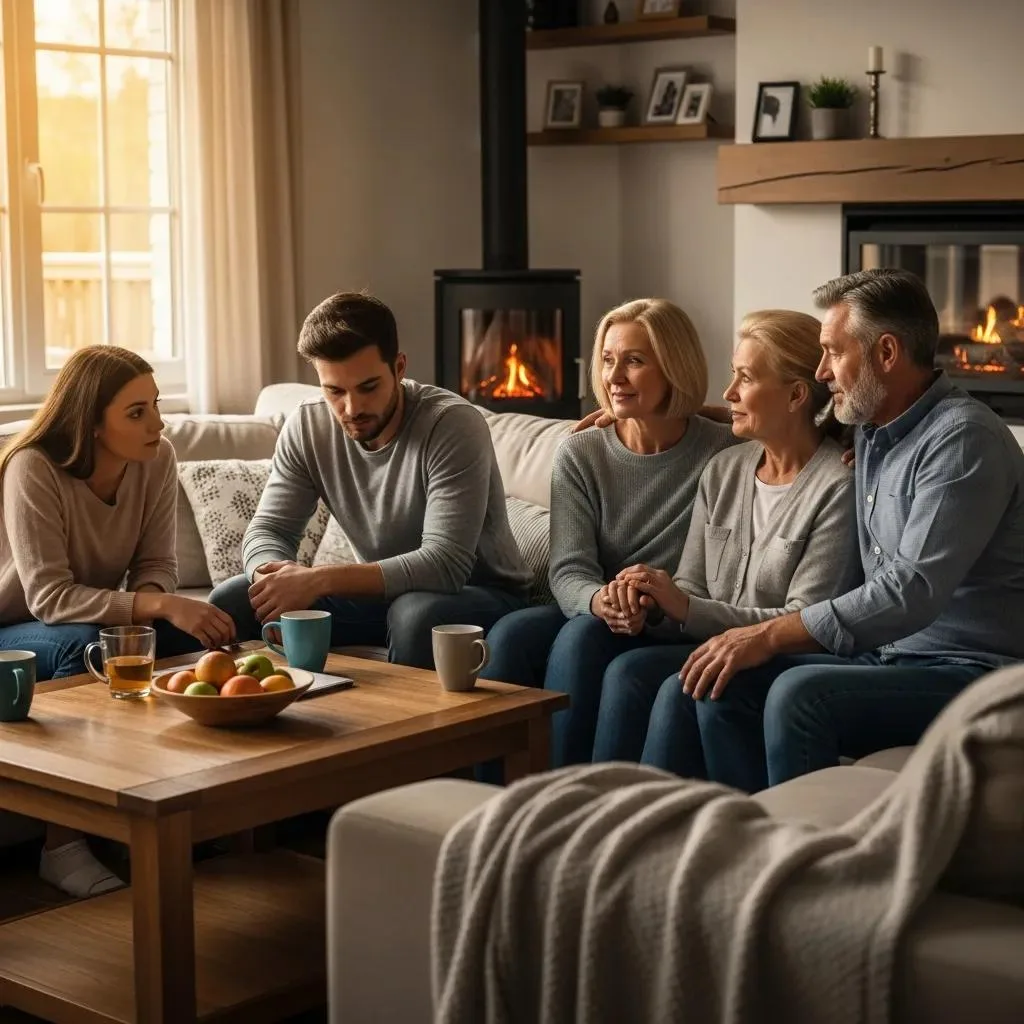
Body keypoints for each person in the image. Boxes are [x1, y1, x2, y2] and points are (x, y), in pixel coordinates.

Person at [660, 269, 1024, 791]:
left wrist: (768, 634)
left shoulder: (961, 440)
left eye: (833, 352)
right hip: (888, 657)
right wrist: (659, 413)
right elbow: (789, 413)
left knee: (798, 695)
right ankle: (738, 844)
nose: (821, 371)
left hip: (969, 670)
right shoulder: (875, 422)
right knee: (711, 681)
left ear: (887, 353)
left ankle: (809, 863)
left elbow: (911, 590)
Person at [0, 344, 235, 896]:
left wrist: (159, 612)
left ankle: (184, 809)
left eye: (155, 404)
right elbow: (49, 599)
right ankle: (61, 847)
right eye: (136, 412)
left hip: (90, 617)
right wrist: (156, 607)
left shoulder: (157, 457)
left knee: (193, 632)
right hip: (17, 627)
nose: (157, 422)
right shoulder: (32, 466)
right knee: (79, 644)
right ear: (92, 423)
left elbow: (156, 566)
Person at [591, 310, 860, 783]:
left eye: (745, 378)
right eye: (732, 375)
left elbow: (806, 618)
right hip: (716, 644)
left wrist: (687, 607)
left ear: (797, 394)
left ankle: (673, 830)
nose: (728, 393)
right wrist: (653, 601)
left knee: (685, 689)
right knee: (626, 671)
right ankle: (599, 815)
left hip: (788, 656)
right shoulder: (725, 469)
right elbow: (693, 584)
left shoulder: (838, 485)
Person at [479, 298, 737, 767]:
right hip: (600, 605)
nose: (614, 377)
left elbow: (799, 418)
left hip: (673, 612)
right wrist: (602, 602)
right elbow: (569, 568)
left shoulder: (726, 450)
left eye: (634, 361)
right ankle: (491, 803)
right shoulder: (581, 454)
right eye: (607, 359)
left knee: (582, 640)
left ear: (675, 367)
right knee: (511, 635)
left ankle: (566, 798)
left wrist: (709, 411)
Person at [209, 291, 531, 667]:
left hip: (477, 594)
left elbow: (445, 564)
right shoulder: (308, 425)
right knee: (233, 599)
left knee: (414, 614)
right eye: (334, 391)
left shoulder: (451, 425)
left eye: (368, 387)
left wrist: (316, 580)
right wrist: (274, 578)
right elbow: (269, 530)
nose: (352, 408)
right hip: (381, 599)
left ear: (398, 368)